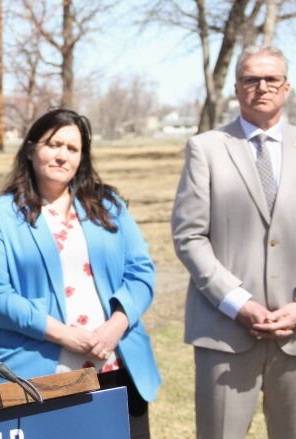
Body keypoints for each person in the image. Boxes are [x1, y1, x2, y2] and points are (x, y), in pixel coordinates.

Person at [0, 109, 161, 438]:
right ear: (32, 148)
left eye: (72, 148)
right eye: (53, 144)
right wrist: (67, 335)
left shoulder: (108, 205)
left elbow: (142, 271)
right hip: (40, 373)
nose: (62, 155)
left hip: (115, 363)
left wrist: (115, 327)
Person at [171, 46, 296, 439]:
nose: (261, 87)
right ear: (237, 87)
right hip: (225, 332)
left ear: (287, 87)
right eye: (250, 79)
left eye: (271, 79)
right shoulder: (205, 148)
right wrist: (238, 303)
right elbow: (189, 236)